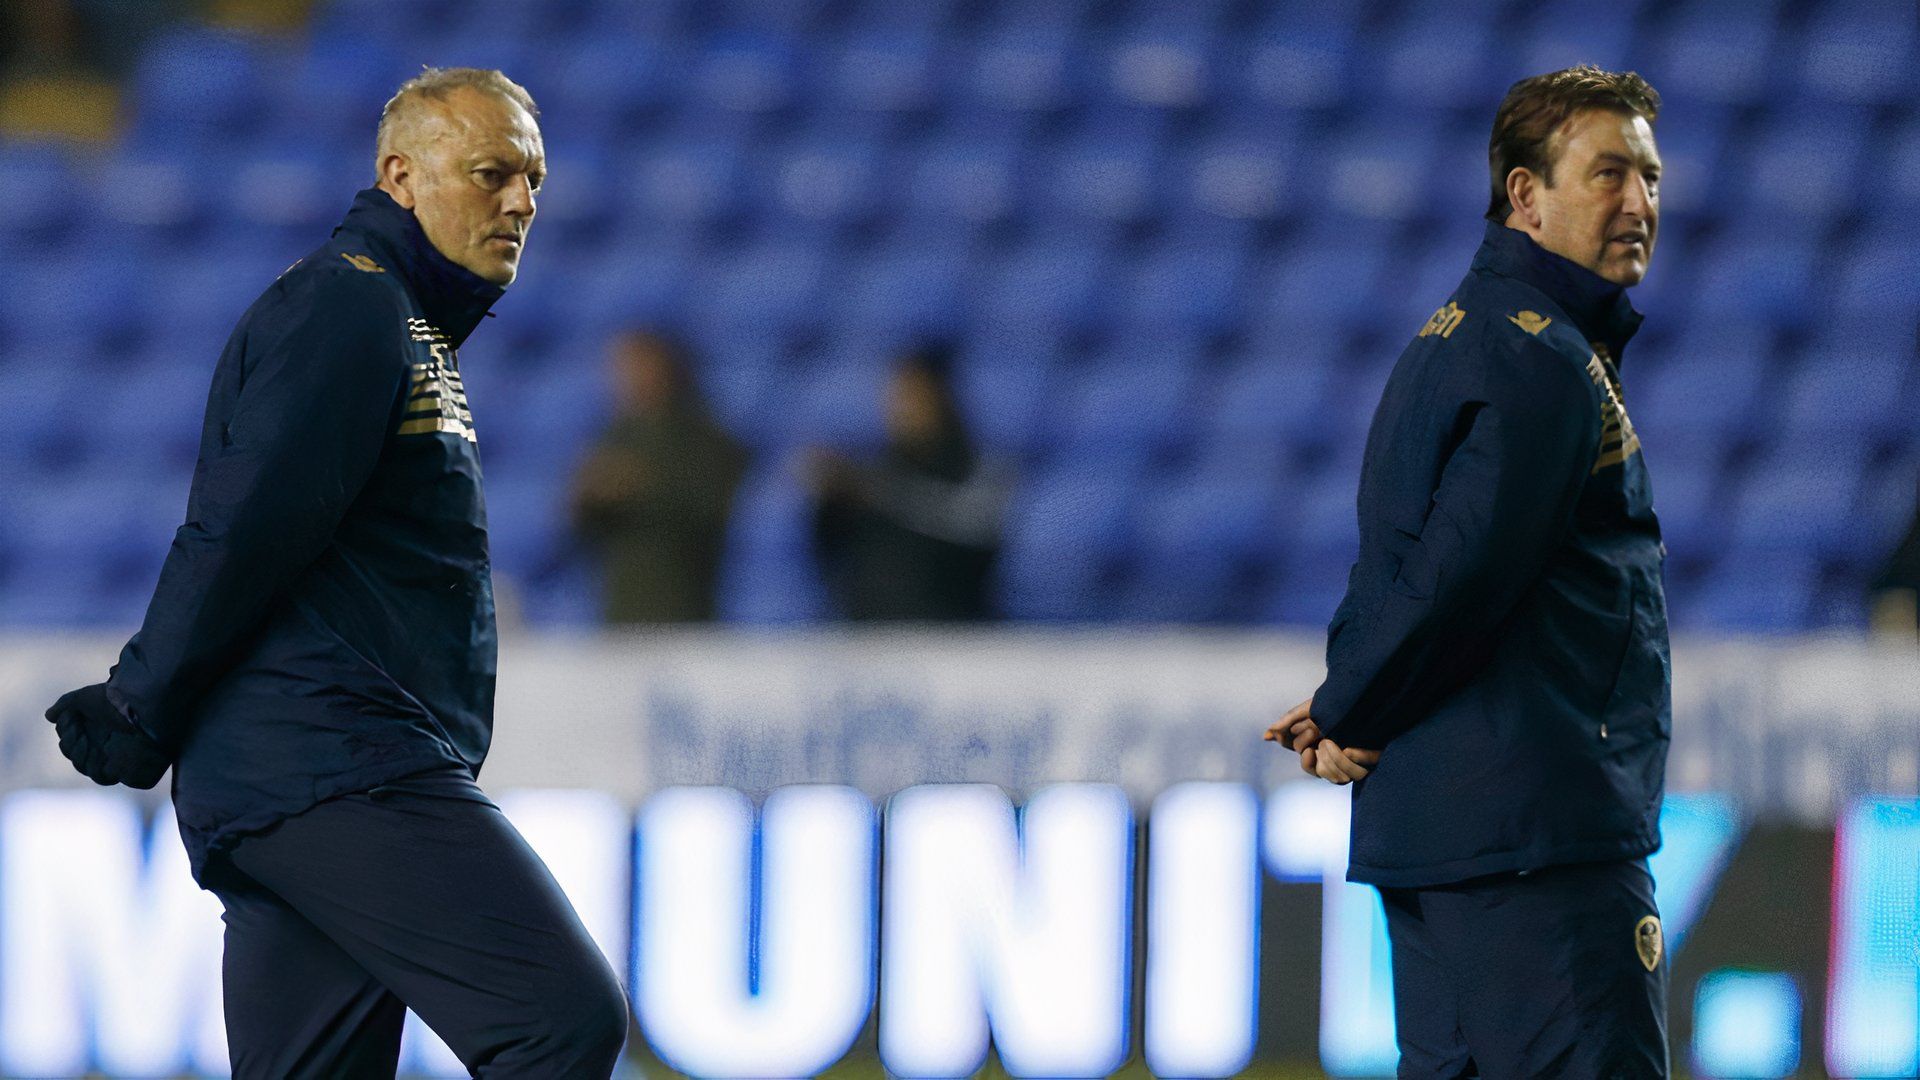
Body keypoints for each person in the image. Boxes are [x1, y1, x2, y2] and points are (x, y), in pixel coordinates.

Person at [41, 68, 628, 1078]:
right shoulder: (350, 310)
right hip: (335, 760)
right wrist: (141, 701)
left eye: (532, 179)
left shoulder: (396, 316)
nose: (522, 202)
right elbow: (245, 526)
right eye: (492, 173)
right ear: (402, 175)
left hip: (298, 775)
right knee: (559, 1019)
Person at [1263, 66, 1672, 1077]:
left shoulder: (1460, 337)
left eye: (1651, 177)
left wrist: (1352, 702)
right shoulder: (1542, 361)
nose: (1638, 203)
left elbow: (1398, 566)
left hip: (1455, 838)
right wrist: (1353, 708)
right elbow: (1463, 573)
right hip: (1539, 843)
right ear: (1526, 197)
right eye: (1608, 173)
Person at [807, 344, 1009, 621]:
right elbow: (831, 553)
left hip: (952, 637)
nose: (902, 408)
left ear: (941, 397)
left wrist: (876, 493)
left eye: (914, 396)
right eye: (897, 396)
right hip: (871, 638)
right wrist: (830, 502)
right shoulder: (879, 467)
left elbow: (974, 528)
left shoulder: (973, 467)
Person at [570, 329, 747, 623]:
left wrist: (640, 487)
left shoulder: (704, 437)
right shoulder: (613, 437)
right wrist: (588, 495)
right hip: (622, 611)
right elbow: (578, 530)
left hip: (685, 606)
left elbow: (713, 508)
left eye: (639, 366)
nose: (627, 378)